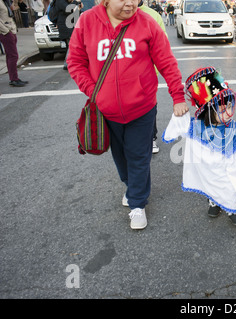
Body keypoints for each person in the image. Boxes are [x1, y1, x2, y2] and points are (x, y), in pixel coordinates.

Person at [67, 0, 189, 230]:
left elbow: (166, 62)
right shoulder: (86, 22)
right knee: (120, 156)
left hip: (141, 108)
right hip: (107, 111)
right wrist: (95, 92)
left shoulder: (147, 23)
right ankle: (131, 186)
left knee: (139, 156)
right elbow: (75, 62)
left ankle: (137, 204)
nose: (131, 3)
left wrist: (178, 96)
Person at [162, 67, 236, 226]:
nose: (228, 112)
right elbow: (179, 125)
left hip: (228, 169)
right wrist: (179, 110)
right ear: (208, 110)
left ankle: (231, 208)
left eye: (229, 107)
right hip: (208, 171)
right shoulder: (196, 127)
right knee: (210, 183)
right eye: (222, 109)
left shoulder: (233, 129)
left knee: (230, 186)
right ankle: (214, 201)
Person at [138, 0, 167, 154]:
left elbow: (164, 47)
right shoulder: (108, 14)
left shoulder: (153, 15)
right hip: (120, 78)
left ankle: (151, 138)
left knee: (149, 107)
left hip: (147, 75)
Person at [0, 0, 29, 86]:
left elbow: (12, 9)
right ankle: (14, 79)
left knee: (10, 55)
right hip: (5, 31)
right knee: (13, 55)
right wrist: (6, 31)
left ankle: (13, 77)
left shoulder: (5, 2)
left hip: (11, 29)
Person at [54, 0, 83, 70]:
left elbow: (75, 13)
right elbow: (69, 9)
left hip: (70, 26)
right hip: (65, 26)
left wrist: (78, 6)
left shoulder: (68, 2)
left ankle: (69, 63)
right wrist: (76, 2)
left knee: (71, 45)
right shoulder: (60, 2)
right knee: (71, 44)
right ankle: (67, 64)